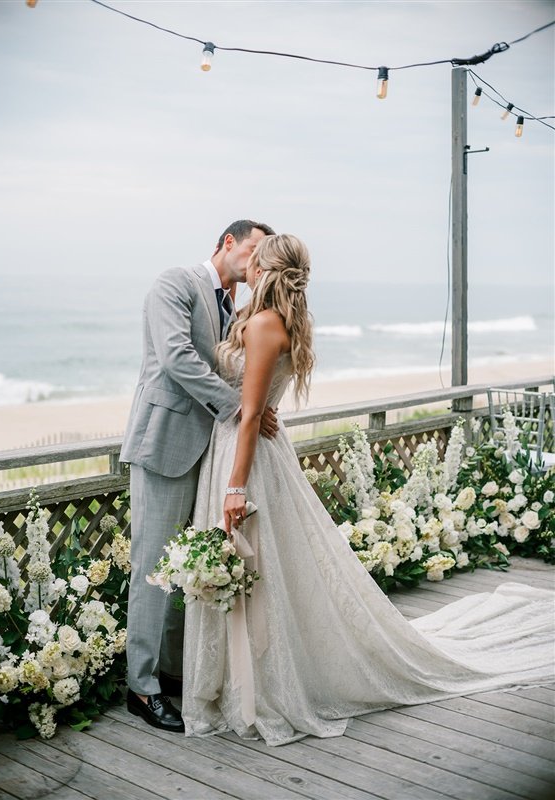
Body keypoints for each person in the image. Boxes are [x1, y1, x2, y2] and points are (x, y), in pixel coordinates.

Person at [181, 233, 555, 746]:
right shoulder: (260, 316)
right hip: (240, 447)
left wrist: (235, 487)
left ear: (267, 270)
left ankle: (260, 688)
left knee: (257, 571)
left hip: (247, 460)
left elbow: (249, 416)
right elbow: (250, 401)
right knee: (252, 572)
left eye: (256, 258)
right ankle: (240, 681)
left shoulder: (267, 324)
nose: (246, 262)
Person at [120, 219, 276, 732]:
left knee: (185, 567)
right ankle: (141, 689)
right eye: (252, 249)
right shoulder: (176, 282)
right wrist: (240, 406)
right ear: (228, 242)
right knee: (151, 567)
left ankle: (170, 673)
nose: (255, 263)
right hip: (165, 444)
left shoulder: (242, 306)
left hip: (211, 456)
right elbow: (176, 357)